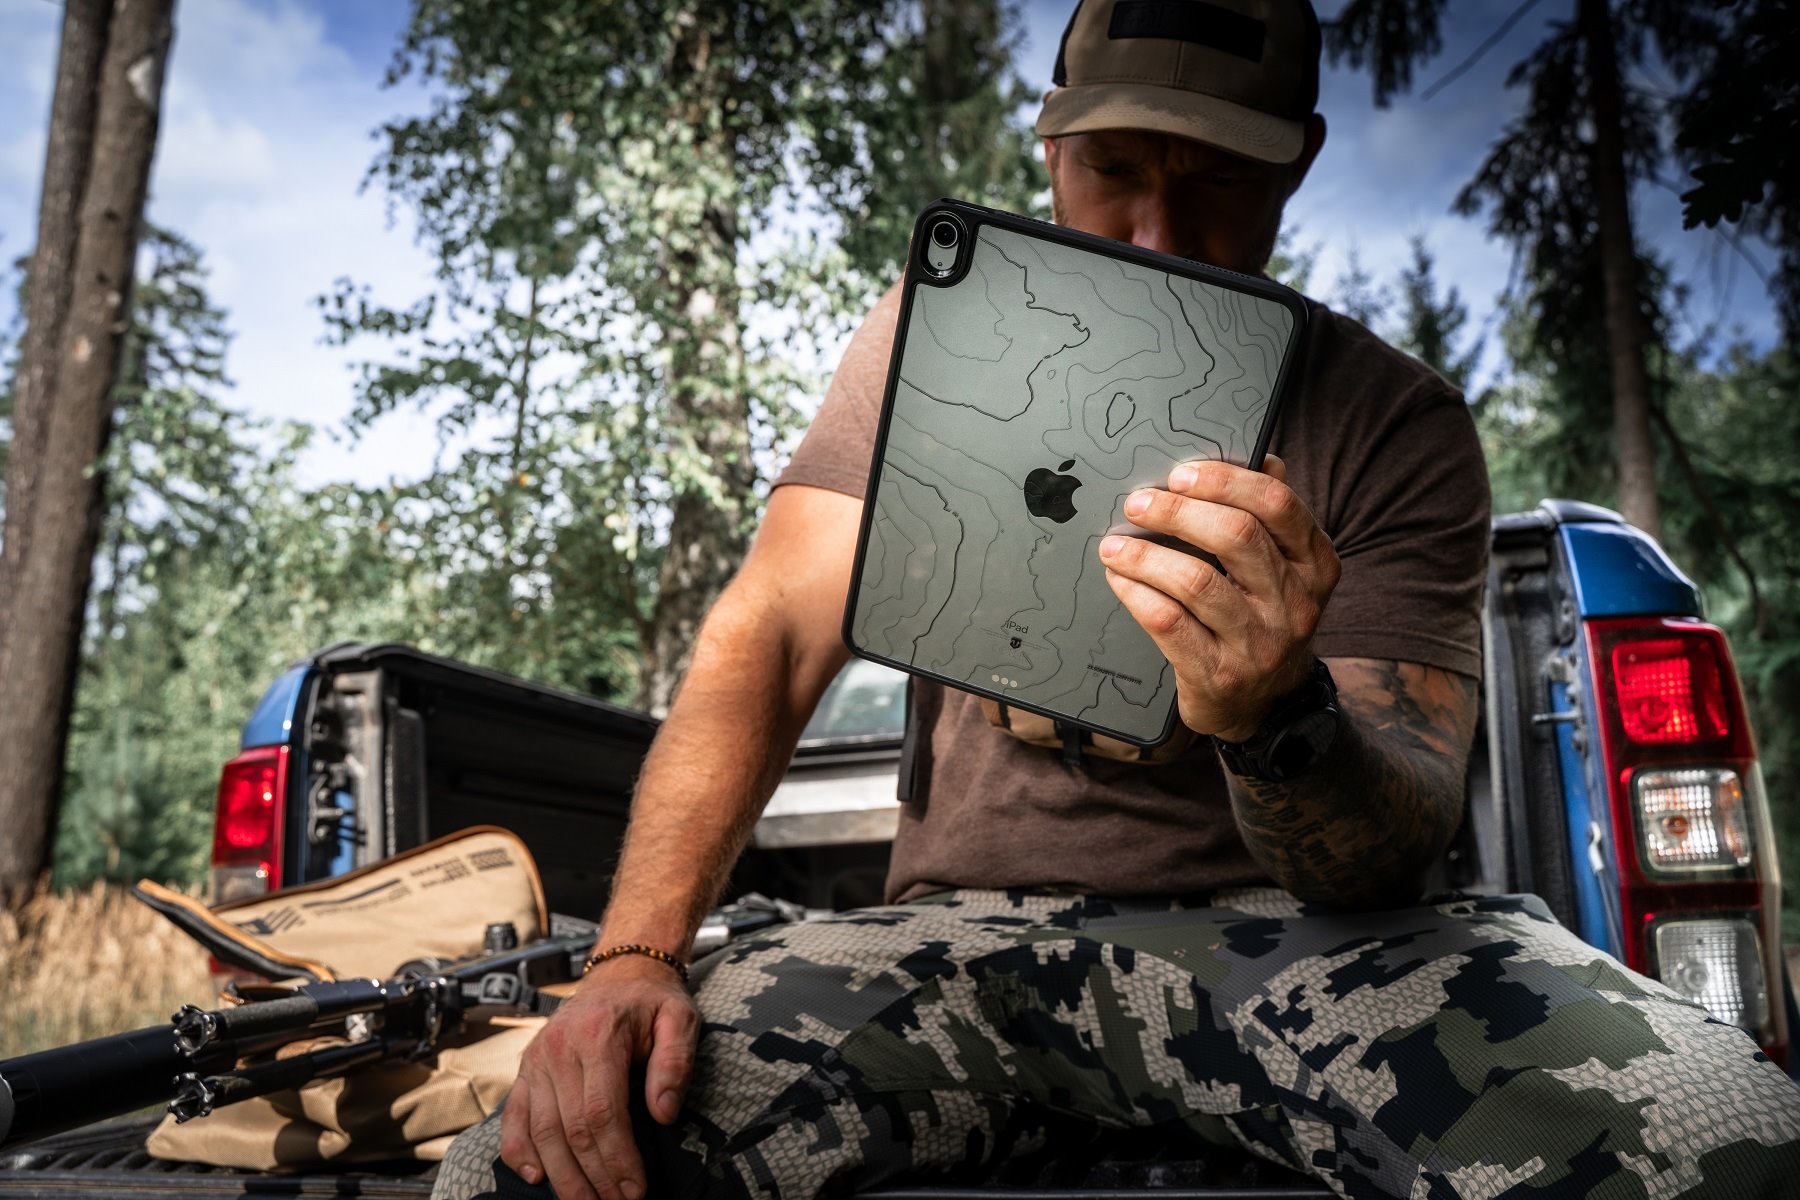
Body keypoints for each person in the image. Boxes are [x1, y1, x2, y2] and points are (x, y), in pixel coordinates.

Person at [434, 1, 1800, 1197]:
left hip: (1292, 943)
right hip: (942, 938)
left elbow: (1392, 849)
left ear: (1299, 162)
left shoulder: (1394, 420)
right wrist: (635, 956)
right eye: (1114, 169)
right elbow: (771, 629)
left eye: (1220, 182)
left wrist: (1276, 715)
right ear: (1049, 144)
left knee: (1728, 1145)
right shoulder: (933, 336)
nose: (1159, 230)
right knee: (534, 1165)